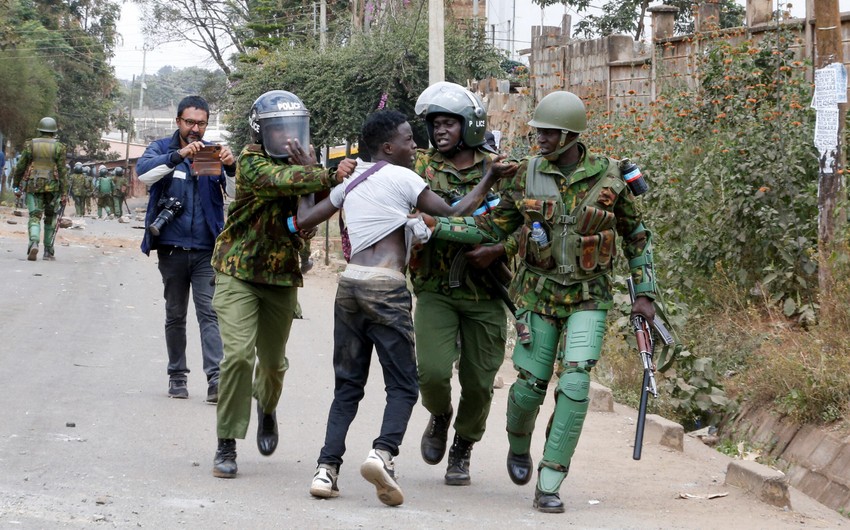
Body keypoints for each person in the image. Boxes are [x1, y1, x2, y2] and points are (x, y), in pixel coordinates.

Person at [420, 90, 658, 513]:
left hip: (589, 295)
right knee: (529, 388)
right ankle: (518, 444)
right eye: (538, 132)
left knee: (576, 383)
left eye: (547, 133)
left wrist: (646, 296)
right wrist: (437, 227)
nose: (540, 139)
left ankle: (550, 479)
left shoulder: (611, 178)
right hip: (539, 294)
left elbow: (637, 238)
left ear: (569, 135)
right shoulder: (524, 175)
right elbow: (493, 228)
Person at [294, 109, 515, 506]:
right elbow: (453, 212)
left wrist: (306, 176)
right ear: (388, 147)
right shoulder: (405, 177)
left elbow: (305, 219)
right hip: (386, 289)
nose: (417, 146)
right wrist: (489, 177)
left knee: (347, 386)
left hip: (349, 286)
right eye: (409, 139)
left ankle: (326, 470)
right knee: (403, 385)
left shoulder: (352, 180)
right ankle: (383, 454)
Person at [210, 90, 355, 480]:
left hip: (281, 275)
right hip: (237, 269)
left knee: (273, 365)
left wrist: (326, 180)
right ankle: (227, 441)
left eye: (294, 130)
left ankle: (267, 407)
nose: (288, 139)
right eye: (280, 131)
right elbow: (278, 181)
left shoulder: (306, 166)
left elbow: (319, 209)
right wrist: (324, 173)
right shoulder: (252, 161)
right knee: (238, 356)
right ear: (261, 132)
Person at [409, 82, 509, 486]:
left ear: (469, 125)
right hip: (436, 287)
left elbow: (518, 222)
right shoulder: (421, 169)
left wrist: (500, 248)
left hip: (486, 291)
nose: (440, 131)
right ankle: (439, 415)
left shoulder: (501, 168)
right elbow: (421, 216)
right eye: (435, 124)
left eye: (449, 123)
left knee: (480, 382)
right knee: (432, 373)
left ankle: (464, 445)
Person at [137, 95, 234, 403]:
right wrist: (178, 156)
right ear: (177, 122)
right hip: (171, 248)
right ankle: (177, 375)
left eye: (201, 123)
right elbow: (144, 174)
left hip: (207, 249)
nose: (195, 129)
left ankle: (216, 380)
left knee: (210, 314)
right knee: (175, 314)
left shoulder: (211, 153)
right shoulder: (162, 150)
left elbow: (235, 193)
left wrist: (231, 167)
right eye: (189, 122)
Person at [12, 117, 69, 261]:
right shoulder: (59, 147)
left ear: (40, 129)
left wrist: (16, 184)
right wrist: (64, 193)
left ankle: (34, 242)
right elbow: (62, 172)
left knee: (34, 216)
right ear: (53, 131)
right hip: (53, 188)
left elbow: (20, 166)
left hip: (34, 185)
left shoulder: (30, 145)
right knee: (50, 219)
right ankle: (48, 252)